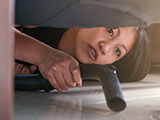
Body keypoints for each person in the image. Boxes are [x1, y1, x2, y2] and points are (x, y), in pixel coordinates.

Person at [14, 26, 150, 91]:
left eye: (117, 51)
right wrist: (42, 55)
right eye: (110, 31)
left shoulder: (60, 76)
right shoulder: (44, 12)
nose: (105, 48)